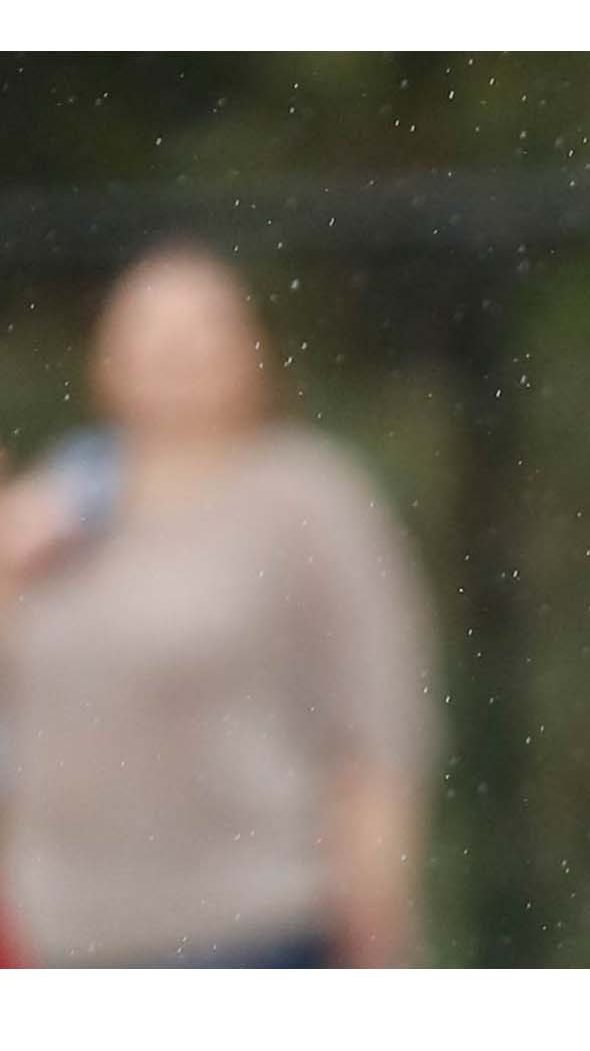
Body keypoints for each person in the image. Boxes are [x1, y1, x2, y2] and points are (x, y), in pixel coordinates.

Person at [0, 242, 439, 966]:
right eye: (150, 330)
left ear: (251, 350)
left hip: (252, 934)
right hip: (66, 944)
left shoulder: (306, 500)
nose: (175, 352)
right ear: (105, 357)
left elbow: (375, 725)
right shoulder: (52, 512)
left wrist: (378, 916)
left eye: (200, 329)